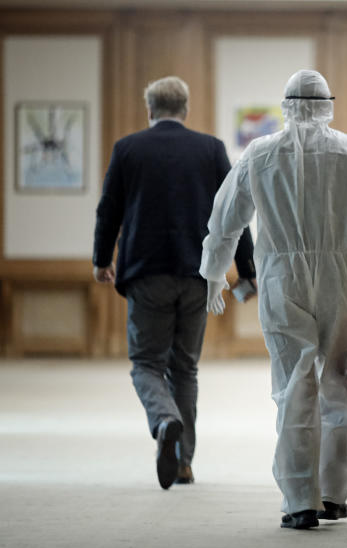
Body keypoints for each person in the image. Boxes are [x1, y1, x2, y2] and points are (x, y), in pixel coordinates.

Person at [200, 70, 347, 530]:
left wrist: (213, 273)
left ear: (285, 105)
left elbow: (225, 218)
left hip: (282, 276)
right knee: (335, 379)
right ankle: (333, 492)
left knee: (294, 384)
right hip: (340, 277)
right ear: (328, 103)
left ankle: (299, 499)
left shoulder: (261, 152)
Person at [92, 76, 256, 490]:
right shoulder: (210, 149)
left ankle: (164, 420)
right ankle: (184, 464)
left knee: (146, 363)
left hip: (147, 274)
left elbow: (109, 208)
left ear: (150, 110)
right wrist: (247, 269)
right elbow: (233, 210)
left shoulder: (128, 149)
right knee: (185, 368)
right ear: (185, 109)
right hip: (197, 275)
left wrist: (101, 259)